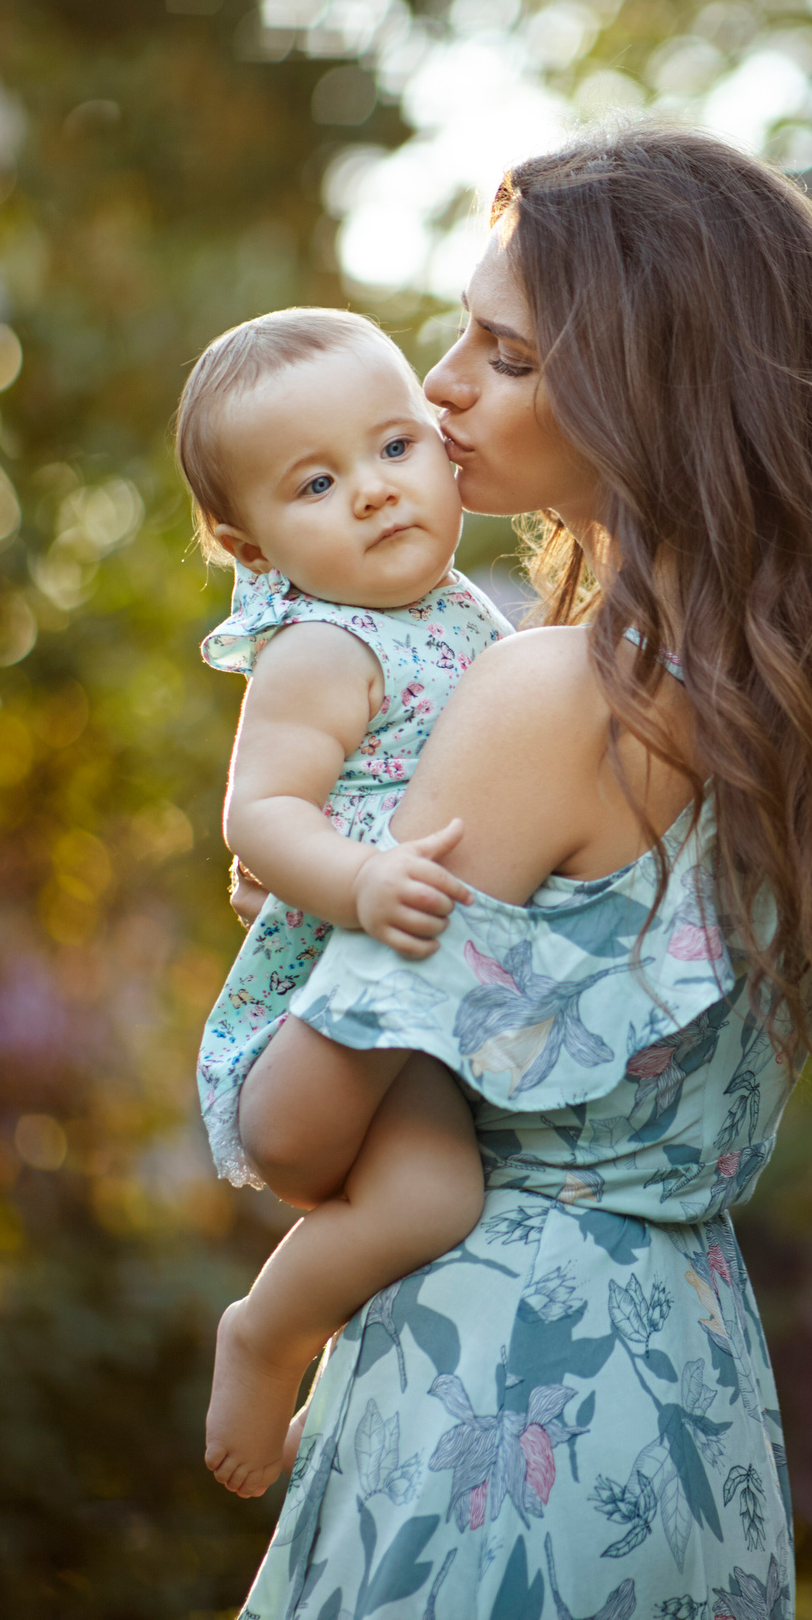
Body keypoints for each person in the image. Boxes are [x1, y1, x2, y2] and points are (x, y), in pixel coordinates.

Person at [228, 121, 812, 1619]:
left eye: (506, 355)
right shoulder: (810, 716)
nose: (439, 386)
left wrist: (302, 924)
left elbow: (296, 1133)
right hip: (690, 1392)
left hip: (505, 1393)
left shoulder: (552, 695)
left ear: (658, 398)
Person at [176, 308, 510, 1499]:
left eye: (395, 447)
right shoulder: (320, 645)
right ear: (249, 544)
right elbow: (259, 814)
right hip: (337, 999)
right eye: (316, 484)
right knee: (432, 1197)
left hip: (421, 1000)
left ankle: (336, 1383)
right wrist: (356, 879)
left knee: (443, 1200)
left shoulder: (463, 610)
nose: (372, 491)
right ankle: (266, 1333)